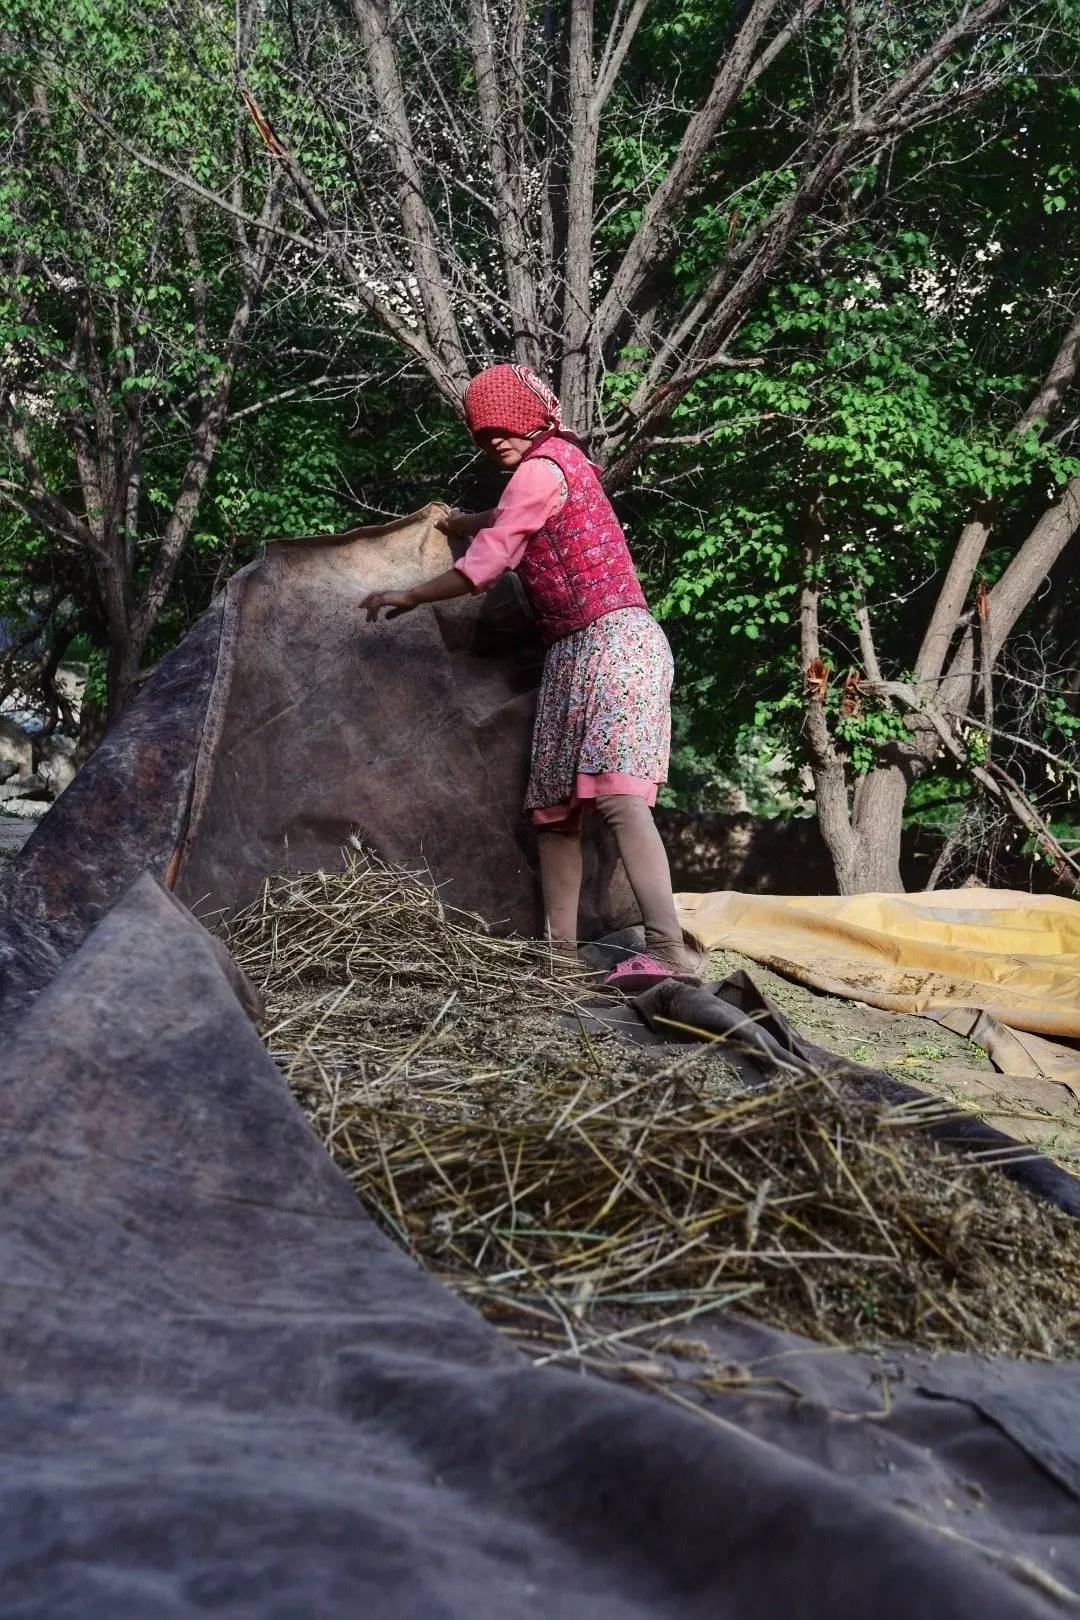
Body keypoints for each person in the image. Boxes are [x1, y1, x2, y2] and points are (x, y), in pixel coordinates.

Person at [359, 362, 698, 978]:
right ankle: (560, 964)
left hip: (616, 643)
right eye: (482, 433)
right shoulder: (554, 470)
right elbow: (506, 521)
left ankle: (670, 951)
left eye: (504, 426)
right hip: (571, 653)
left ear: (532, 417)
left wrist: (407, 595)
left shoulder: (543, 467)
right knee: (554, 812)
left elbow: (484, 565)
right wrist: (455, 523)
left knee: (619, 797)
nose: (494, 441)